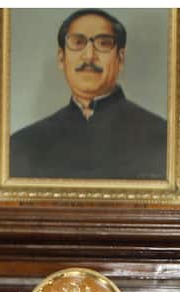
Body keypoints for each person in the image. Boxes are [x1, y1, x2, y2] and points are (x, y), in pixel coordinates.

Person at [9, 9, 168, 181]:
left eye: (103, 43)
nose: (89, 56)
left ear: (120, 59)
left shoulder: (162, 138)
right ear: (61, 59)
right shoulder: (22, 145)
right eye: (78, 42)